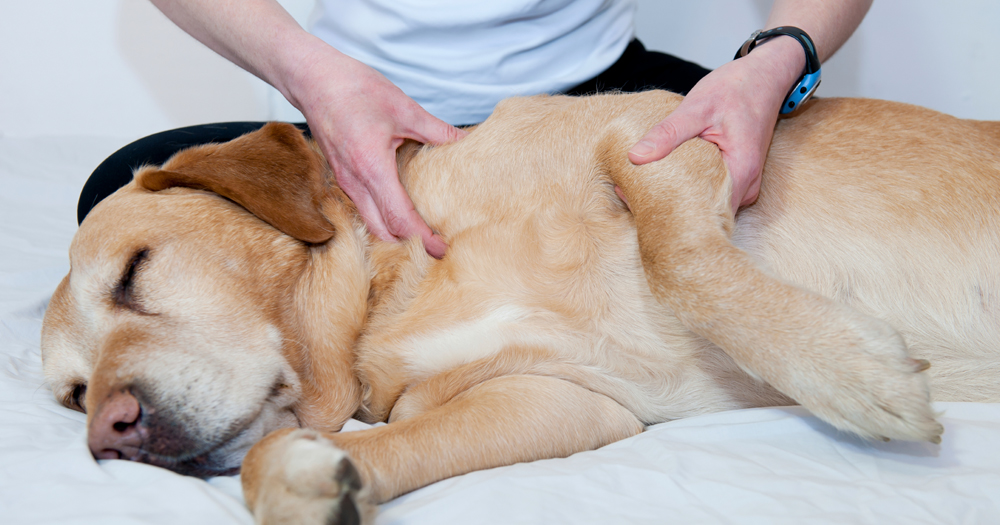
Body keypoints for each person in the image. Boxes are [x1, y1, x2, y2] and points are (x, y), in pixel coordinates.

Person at [81, 0, 872, 259]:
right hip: (360, 115)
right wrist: (308, 73)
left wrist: (774, 61)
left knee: (813, 199)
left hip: (596, 101)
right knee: (123, 200)